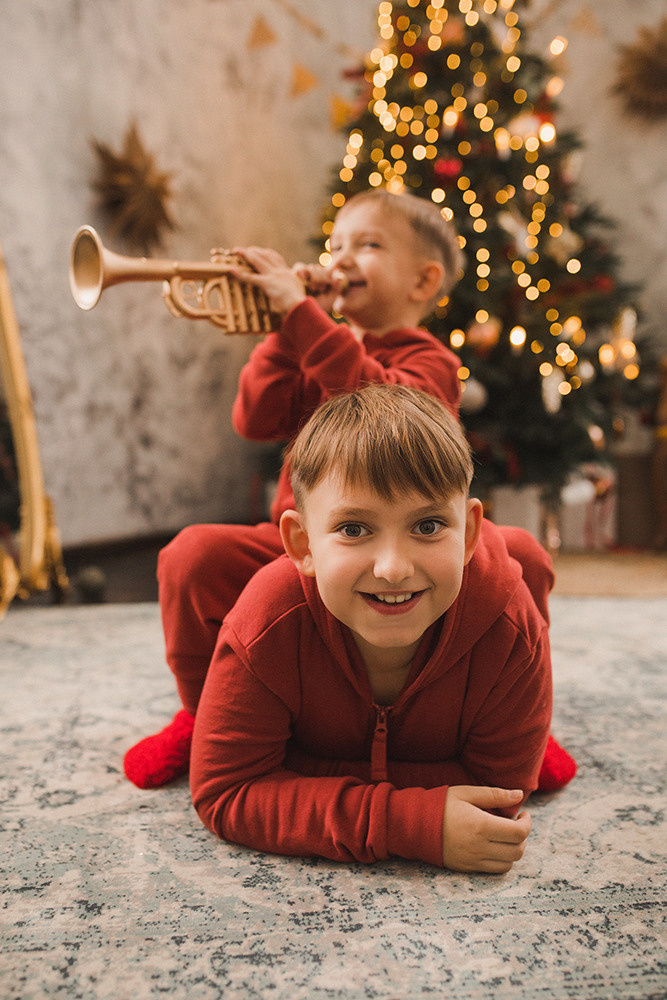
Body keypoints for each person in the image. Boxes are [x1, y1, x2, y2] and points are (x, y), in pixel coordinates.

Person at [124, 189, 574, 793]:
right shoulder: (309, 342)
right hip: (308, 540)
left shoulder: (431, 358)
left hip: (401, 534)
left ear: (424, 280)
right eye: (335, 245)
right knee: (191, 557)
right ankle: (206, 713)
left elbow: (392, 404)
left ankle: (523, 718)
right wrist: (286, 332)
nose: (340, 259)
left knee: (522, 556)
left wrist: (305, 322)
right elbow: (254, 418)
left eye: (367, 244)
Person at [190, 384, 553, 872]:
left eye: (426, 526)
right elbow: (226, 791)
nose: (392, 568)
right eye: (354, 529)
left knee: (526, 554)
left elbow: (497, 798)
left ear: (468, 534)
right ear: (302, 545)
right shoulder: (266, 622)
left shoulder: (512, 629)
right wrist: (409, 820)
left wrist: (296, 773)